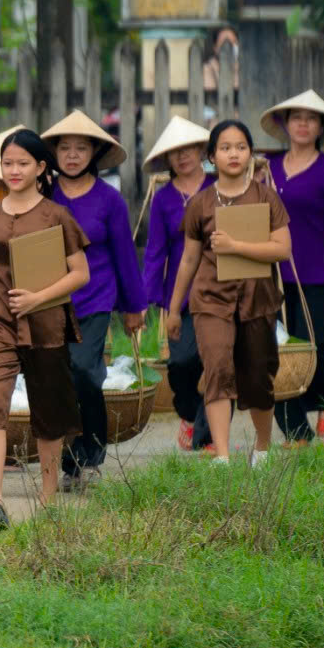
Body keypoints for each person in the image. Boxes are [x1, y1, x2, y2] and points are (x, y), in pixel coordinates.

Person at [0, 128, 90, 531]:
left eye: (22, 163)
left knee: (48, 410)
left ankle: (48, 495)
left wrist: (38, 299)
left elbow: (80, 274)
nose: (13, 170)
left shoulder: (57, 216)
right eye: (7, 163)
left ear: (40, 168)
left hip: (46, 324)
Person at [165, 120, 293, 465]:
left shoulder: (266, 197)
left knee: (258, 377)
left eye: (240, 147)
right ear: (211, 157)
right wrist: (175, 309)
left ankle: (262, 450)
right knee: (218, 368)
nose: (233, 154)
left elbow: (282, 249)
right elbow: (189, 259)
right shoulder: (201, 204)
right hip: (210, 300)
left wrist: (236, 245)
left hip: (257, 300)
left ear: (250, 153)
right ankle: (221, 456)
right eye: (225, 148)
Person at [41, 110, 146, 484]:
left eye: (80, 148)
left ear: (95, 153)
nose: (71, 155)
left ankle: (92, 454)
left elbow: (125, 255)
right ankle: (68, 462)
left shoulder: (110, 200)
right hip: (49, 302)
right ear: (52, 154)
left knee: (86, 371)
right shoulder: (43, 195)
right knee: (58, 380)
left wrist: (134, 307)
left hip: (96, 299)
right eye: (64, 148)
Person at [257, 89, 324, 442]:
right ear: (285, 124)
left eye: (311, 118)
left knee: (313, 349)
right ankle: (297, 432)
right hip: (271, 275)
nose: (303, 124)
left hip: (315, 274)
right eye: (296, 117)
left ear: (320, 127)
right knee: (278, 354)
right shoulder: (266, 169)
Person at [138, 115, 214, 451]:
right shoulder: (164, 198)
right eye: (174, 152)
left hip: (218, 290)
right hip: (179, 296)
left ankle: (207, 438)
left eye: (188, 149)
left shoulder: (219, 186)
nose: (182, 156)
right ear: (167, 160)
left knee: (217, 362)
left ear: (201, 150)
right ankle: (187, 414)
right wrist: (145, 301)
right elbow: (155, 252)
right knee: (182, 362)